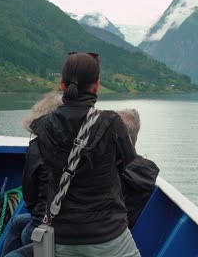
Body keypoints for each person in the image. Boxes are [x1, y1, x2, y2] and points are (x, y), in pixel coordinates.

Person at [21, 52, 140, 257]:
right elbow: (129, 167)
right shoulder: (111, 123)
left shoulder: (42, 127)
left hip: (60, 239)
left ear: (62, 84)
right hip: (108, 236)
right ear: (97, 85)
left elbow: (30, 192)